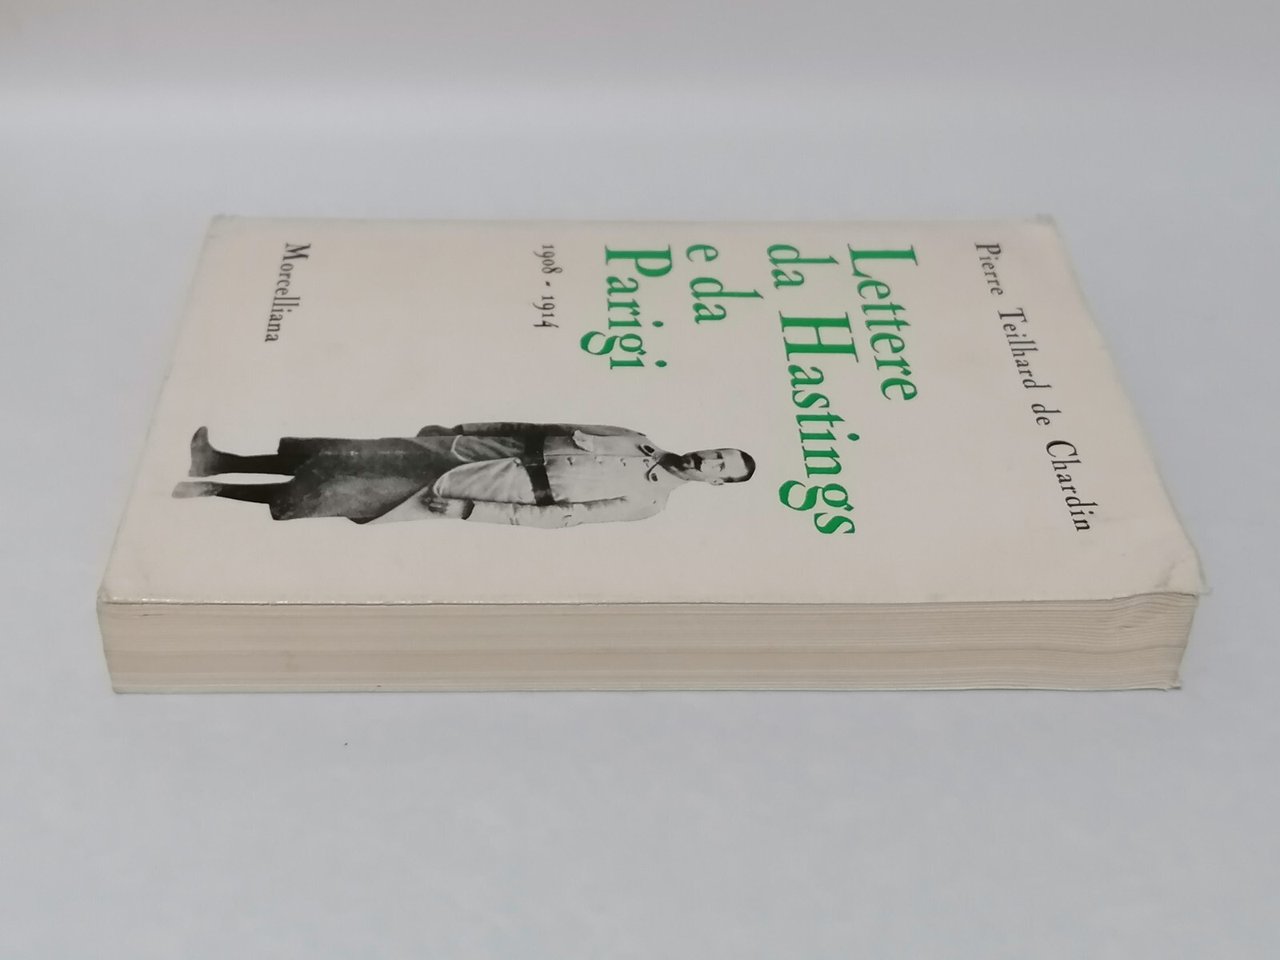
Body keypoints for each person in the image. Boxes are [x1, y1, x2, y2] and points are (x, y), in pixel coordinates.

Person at [172, 423, 755, 526]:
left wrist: (470, 509)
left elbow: (560, 520)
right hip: (475, 447)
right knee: (349, 454)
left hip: (486, 486)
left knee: (348, 490)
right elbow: (543, 426)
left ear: (717, 484)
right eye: (717, 451)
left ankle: (215, 489)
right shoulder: (634, 437)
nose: (708, 460)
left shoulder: (648, 505)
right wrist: (464, 429)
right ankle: (222, 461)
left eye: (719, 468)